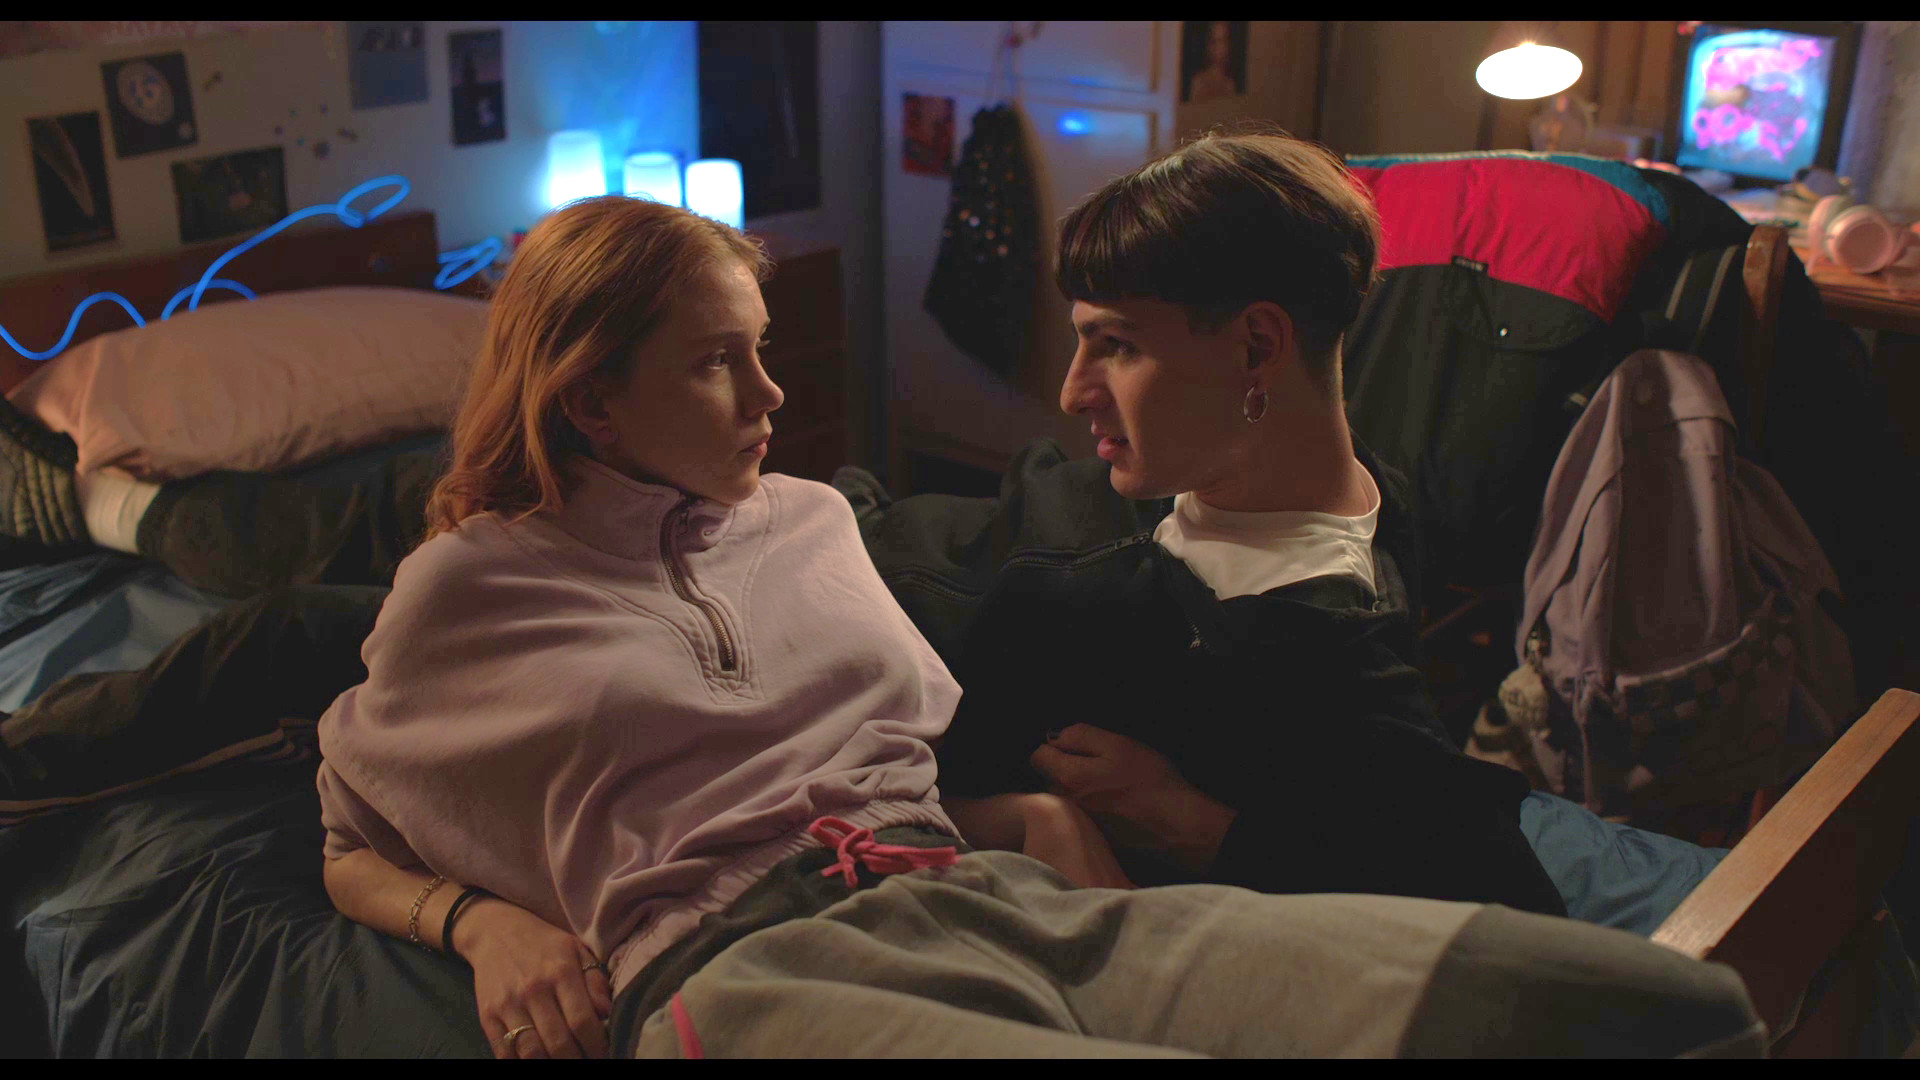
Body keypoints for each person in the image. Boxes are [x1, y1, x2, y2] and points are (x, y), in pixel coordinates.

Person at [0, 193, 1763, 1059]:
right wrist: (481, 921)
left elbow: (860, 745)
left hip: (953, 878)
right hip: (743, 968)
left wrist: (1039, 821)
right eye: (724, 361)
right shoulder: (455, 578)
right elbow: (348, 820)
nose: (777, 394)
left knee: (1639, 1008)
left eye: (764, 350)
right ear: (592, 393)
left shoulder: (812, 519)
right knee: (272, 632)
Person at [844, 128, 1567, 914]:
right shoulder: (1335, 485)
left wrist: (1200, 829)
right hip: (849, 527)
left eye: (1117, 345)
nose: (1073, 392)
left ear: (1256, 347)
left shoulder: (1313, 661)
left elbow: (1501, 898)